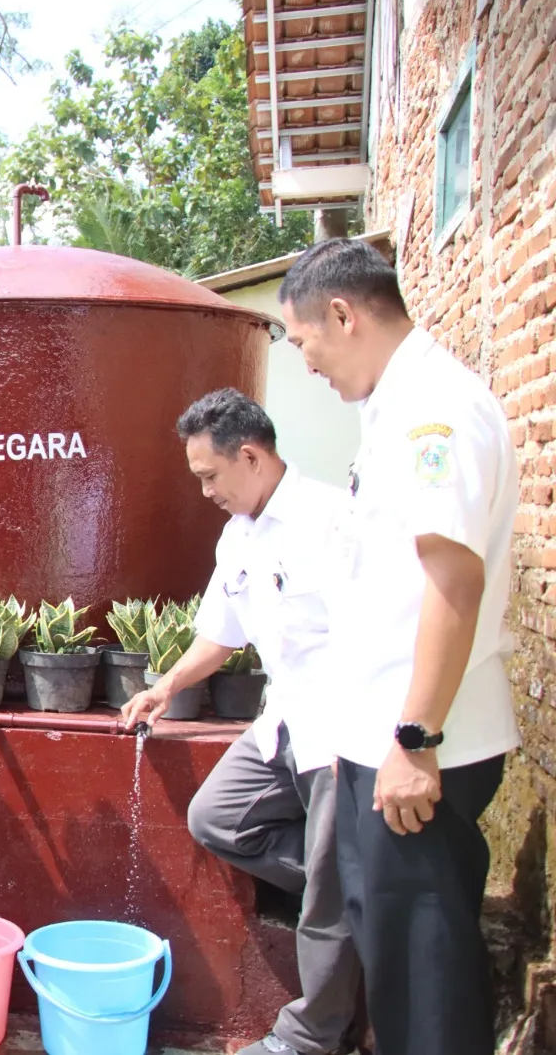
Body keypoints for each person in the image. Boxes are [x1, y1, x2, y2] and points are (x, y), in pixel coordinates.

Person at [279, 238, 517, 1055]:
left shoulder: (433, 410)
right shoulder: (392, 408)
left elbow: (454, 580)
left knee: (425, 981)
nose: (305, 363)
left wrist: (415, 739)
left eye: (303, 341)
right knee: (396, 960)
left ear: (342, 314)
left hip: (416, 750)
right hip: (381, 742)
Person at [122, 388, 360, 1055]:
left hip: (339, 730)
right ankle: (351, 888)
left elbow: (379, 636)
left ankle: (309, 1038)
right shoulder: (239, 536)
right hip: (282, 722)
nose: (205, 493)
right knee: (216, 818)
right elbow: (220, 635)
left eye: (209, 476)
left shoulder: (331, 522)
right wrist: (167, 684)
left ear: (250, 456)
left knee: (331, 895)